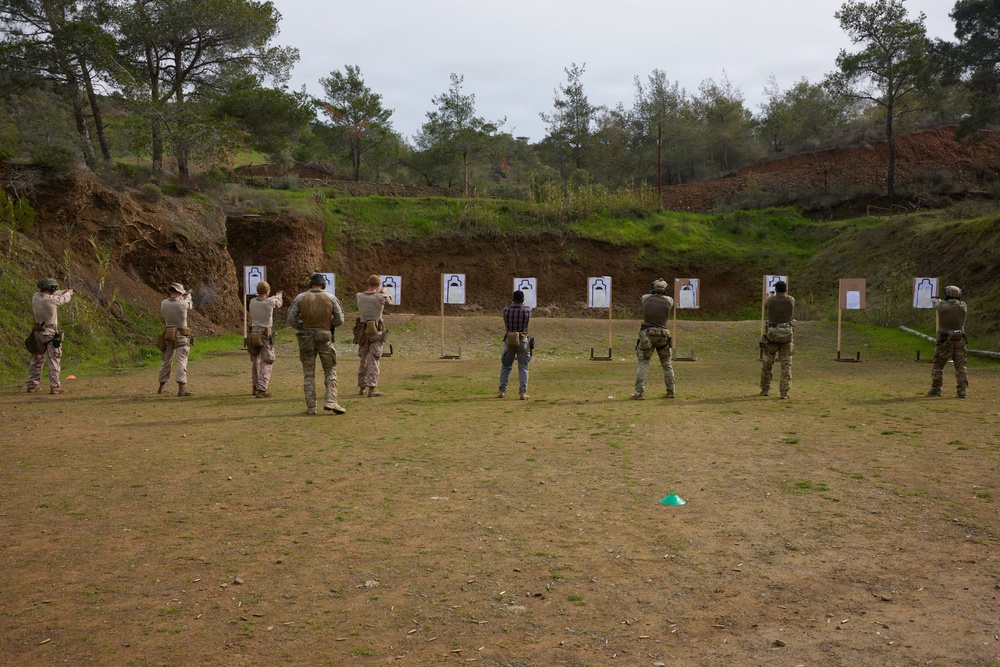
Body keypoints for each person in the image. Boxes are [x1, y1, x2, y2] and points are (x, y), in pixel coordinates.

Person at [287, 273, 346, 415]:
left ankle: (311, 406)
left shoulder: (300, 298)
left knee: (308, 373)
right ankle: (331, 400)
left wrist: (302, 327)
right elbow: (339, 319)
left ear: (310, 284)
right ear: (323, 285)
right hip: (325, 337)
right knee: (330, 370)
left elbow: (291, 318)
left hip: (306, 338)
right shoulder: (331, 298)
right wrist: (328, 325)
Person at [26, 278, 74, 394]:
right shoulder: (52, 301)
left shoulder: (36, 297)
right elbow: (63, 299)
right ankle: (55, 386)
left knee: (37, 359)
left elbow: (53, 294)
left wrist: (64, 291)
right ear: (52, 289)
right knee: (54, 360)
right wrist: (68, 293)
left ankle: (32, 385)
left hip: (38, 332)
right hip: (50, 333)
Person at [632, 279, 675, 400]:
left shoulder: (646, 298)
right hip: (663, 336)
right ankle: (671, 391)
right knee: (667, 364)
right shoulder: (669, 300)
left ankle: (639, 393)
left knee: (643, 364)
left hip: (647, 335)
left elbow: (643, 298)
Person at [928, 285, 968, 398]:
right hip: (959, 339)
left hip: (944, 340)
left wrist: (936, 299)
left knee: (938, 366)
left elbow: (936, 303)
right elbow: (952, 305)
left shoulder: (941, 306)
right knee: (960, 367)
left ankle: (936, 389)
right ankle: (962, 391)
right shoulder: (963, 306)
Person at [356, 274, 392, 397]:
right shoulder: (381, 297)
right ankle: (372, 388)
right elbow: (389, 301)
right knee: (374, 359)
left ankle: (362, 387)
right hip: (376, 331)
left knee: (363, 359)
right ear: (378, 285)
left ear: (368, 283)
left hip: (362, 331)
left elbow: (365, 296)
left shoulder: (359, 296)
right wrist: (384, 291)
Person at [760, 280, 794, 399]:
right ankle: (784, 392)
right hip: (787, 335)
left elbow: (767, 301)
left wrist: (772, 294)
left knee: (767, 363)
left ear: (775, 290)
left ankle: (765, 389)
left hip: (772, 334)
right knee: (786, 365)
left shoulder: (770, 300)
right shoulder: (791, 300)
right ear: (786, 289)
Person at [248, 281, 283, 398]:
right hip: (265, 334)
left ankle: (255, 386)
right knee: (268, 360)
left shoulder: (252, 301)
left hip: (253, 333)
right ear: (267, 291)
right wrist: (278, 295)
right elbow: (278, 303)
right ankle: (261, 388)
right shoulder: (270, 301)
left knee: (256, 360)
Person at [159, 282, 194, 396]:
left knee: (166, 361)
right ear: (180, 292)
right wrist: (188, 297)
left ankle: (161, 386)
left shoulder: (164, 303)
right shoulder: (183, 303)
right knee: (181, 361)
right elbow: (190, 306)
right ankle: (181, 388)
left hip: (168, 334)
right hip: (181, 334)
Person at [498, 290, 532, 400]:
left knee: (506, 366)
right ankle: (523, 393)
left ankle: (502, 391)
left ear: (513, 299)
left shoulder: (506, 310)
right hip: (522, 340)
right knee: (523, 367)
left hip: (510, 339)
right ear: (522, 299)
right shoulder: (527, 311)